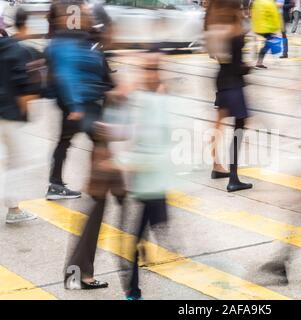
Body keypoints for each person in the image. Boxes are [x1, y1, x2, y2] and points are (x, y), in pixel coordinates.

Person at [116, 54, 172, 301]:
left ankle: (142, 257)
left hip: (155, 174)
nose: (149, 74)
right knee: (132, 236)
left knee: (155, 224)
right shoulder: (138, 97)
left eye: (153, 69)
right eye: (146, 69)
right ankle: (133, 290)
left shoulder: (160, 96)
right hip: (141, 174)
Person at [45, 0, 113, 200]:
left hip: (81, 99)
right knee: (100, 140)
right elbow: (66, 74)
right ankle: (101, 184)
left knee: (65, 141)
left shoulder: (67, 39)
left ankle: (56, 184)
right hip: (81, 102)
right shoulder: (67, 42)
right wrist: (75, 105)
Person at [205, 0, 253, 192]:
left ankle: (217, 166)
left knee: (221, 123)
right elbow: (236, 63)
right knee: (239, 126)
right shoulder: (233, 25)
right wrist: (246, 68)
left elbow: (215, 54)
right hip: (233, 82)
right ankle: (233, 178)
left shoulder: (216, 23)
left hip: (223, 78)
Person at [0, 9, 38, 224]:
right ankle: (13, 210)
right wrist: (23, 112)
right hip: (9, 115)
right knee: (18, 162)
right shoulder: (19, 50)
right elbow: (22, 85)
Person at [251, 0, 282, 69]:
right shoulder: (270, 3)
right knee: (268, 44)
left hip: (257, 27)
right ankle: (259, 63)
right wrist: (276, 28)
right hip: (267, 28)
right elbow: (275, 17)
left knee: (267, 44)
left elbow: (253, 14)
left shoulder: (256, 2)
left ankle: (259, 62)